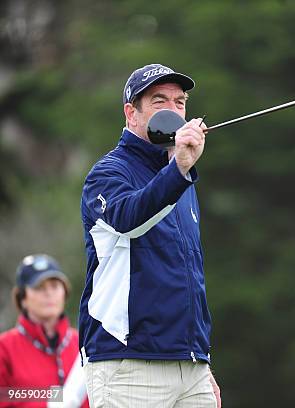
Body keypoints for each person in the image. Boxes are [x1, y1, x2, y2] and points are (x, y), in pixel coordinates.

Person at [79, 63, 220, 407]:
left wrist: (202, 359)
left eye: (180, 102)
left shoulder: (180, 175)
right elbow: (130, 219)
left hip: (190, 365)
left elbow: (187, 274)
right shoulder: (107, 173)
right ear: (131, 114)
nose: (173, 110)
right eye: (159, 101)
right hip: (126, 363)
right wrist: (178, 170)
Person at [0, 254, 88, 407]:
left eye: (54, 286)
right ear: (23, 298)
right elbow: (4, 395)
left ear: (64, 293)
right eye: (39, 287)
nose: (48, 293)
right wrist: (52, 400)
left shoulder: (84, 343)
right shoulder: (4, 347)